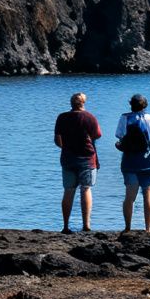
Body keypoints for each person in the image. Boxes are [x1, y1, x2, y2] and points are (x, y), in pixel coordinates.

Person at [53, 91, 102, 232]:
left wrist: (67, 147)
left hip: (68, 158)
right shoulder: (89, 117)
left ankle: (66, 226)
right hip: (87, 158)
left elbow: (57, 140)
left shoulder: (62, 117)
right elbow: (97, 135)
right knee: (86, 189)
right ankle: (86, 225)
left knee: (68, 190)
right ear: (83, 103)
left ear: (71, 103)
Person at [114, 93, 150, 231]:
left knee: (129, 195)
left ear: (131, 105)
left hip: (129, 161)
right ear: (145, 105)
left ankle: (128, 227)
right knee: (148, 193)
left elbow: (119, 136)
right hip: (147, 161)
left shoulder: (124, 118)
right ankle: (149, 228)